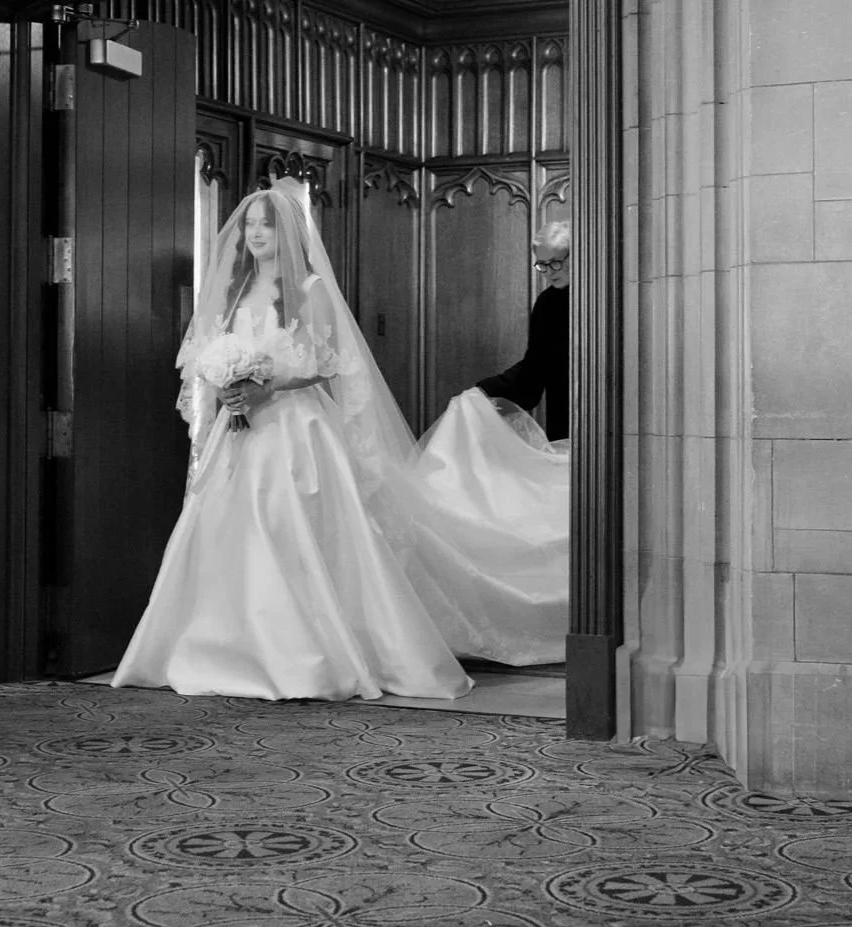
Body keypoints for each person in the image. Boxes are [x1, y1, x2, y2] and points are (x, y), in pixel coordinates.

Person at [112, 180, 569, 704]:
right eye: (250, 225)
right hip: (239, 434)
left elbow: (324, 362)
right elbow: (206, 354)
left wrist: (267, 386)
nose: (257, 233)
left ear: (286, 231)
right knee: (223, 531)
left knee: (294, 530)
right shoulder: (235, 291)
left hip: (296, 430)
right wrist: (228, 387)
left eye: (267, 224)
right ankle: (225, 645)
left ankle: (304, 653)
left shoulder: (310, 289)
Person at [475, 219, 570, 440]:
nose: (548, 271)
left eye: (555, 262)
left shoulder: (603, 291)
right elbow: (535, 369)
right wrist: (487, 390)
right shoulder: (547, 303)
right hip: (565, 412)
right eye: (542, 264)